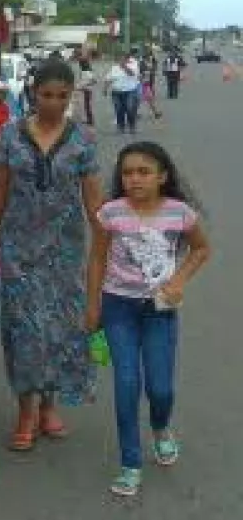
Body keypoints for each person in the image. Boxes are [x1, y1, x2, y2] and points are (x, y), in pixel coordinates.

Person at [84, 141, 211, 497]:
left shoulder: (179, 213)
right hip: (118, 308)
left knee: (161, 388)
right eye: (127, 173)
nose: (135, 179)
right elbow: (97, 259)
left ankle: (160, 427)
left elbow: (201, 248)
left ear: (162, 176)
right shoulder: (110, 214)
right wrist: (92, 305)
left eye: (144, 172)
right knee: (126, 384)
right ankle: (130, 463)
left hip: (160, 311)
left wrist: (178, 280)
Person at [0, 59, 103, 452]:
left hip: (65, 251)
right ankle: (25, 411)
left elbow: (94, 202)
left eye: (62, 96)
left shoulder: (83, 139)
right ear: (33, 93)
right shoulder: (10, 134)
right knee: (22, 330)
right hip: (17, 250)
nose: (53, 103)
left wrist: (107, 247)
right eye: (46, 95)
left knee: (58, 329)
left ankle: (49, 405)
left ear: (71, 97)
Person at [104, 50, 142, 134]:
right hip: (116, 92)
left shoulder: (133, 65)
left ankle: (132, 126)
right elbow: (108, 78)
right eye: (119, 58)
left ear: (127, 59)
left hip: (129, 91)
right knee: (118, 110)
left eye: (123, 58)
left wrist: (124, 67)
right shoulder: (114, 68)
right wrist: (105, 88)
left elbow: (132, 73)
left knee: (130, 109)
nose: (121, 60)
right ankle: (121, 127)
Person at [76, 53, 96, 125]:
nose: (79, 65)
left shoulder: (87, 72)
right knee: (86, 106)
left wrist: (83, 85)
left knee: (87, 106)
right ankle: (89, 119)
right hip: (86, 89)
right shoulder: (85, 71)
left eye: (80, 64)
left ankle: (90, 120)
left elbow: (93, 81)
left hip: (87, 90)